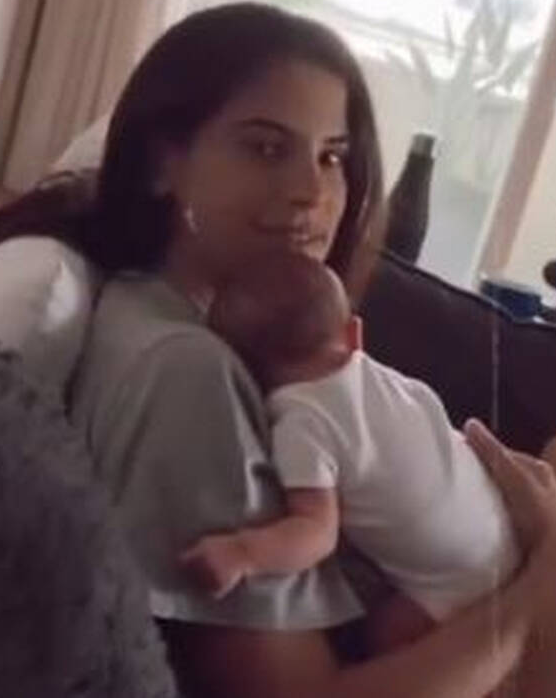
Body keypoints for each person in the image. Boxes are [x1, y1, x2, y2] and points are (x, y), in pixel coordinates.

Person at [70, 2, 556, 698]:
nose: (311, 192)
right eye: (266, 148)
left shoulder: (224, 329)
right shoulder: (189, 374)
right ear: (161, 163)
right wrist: (544, 586)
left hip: (468, 600)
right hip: (471, 639)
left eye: (333, 157)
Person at [181, 253, 520, 649]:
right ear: (355, 334)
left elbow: (316, 534)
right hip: (503, 526)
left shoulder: (302, 422)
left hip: (456, 582)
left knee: (381, 638)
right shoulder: (388, 380)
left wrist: (243, 553)